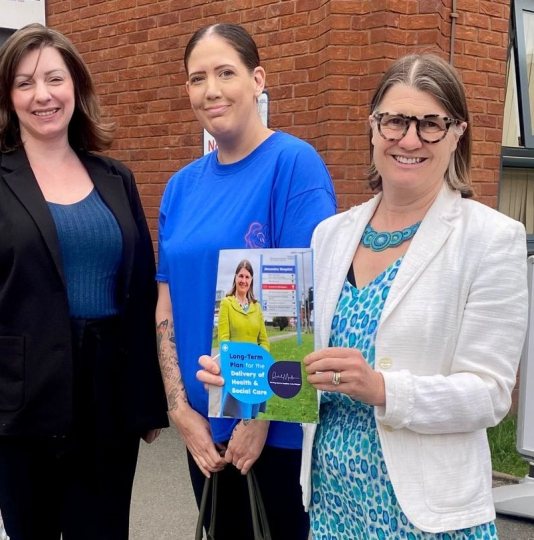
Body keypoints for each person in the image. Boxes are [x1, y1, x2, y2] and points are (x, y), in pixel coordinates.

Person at [199, 53, 528, 538]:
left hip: (428, 518)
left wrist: (382, 389)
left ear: (457, 133)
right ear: (374, 129)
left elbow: (490, 394)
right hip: (333, 508)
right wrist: (244, 378)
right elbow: (298, 365)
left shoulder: (491, 239)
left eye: (430, 124)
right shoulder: (329, 236)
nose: (409, 139)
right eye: (394, 121)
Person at [0, 23, 167, 540]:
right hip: (12, 409)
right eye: (24, 83)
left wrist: (146, 400)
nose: (43, 96)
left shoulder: (115, 177)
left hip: (107, 403)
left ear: (76, 87)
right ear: (7, 98)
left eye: (54, 79)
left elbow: (139, 291)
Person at [155, 23, 337, 540]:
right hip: (202, 428)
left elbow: (302, 300)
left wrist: (257, 419)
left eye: (225, 72)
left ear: (258, 80)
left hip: (272, 432)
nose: (210, 90)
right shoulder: (180, 187)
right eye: (196, 78)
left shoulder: (293, 165)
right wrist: (179, 408)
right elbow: (165, 302)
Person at [217, 259, 269, 419]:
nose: (243, 281)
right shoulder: (226, 303)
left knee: (250, 421)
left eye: (247, 277)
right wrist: (236, 362)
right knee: (232, 418)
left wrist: (259, 360)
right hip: (235, 369)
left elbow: (264, 341)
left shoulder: (257, 307)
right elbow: (224, 339)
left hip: (254, 371)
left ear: (251, 280)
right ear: (235, 277)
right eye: (241, 276)